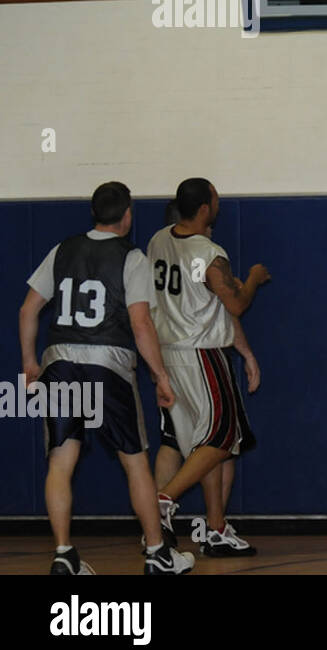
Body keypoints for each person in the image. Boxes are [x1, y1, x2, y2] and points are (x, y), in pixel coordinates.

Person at [18, 181, 194, 574]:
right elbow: (141, 323)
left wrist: (30, 364)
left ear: (94, 213)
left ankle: (64, 553)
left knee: (61, 461)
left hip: (60, 360)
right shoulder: (131, 258)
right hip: (107, 364)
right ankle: (156, 554)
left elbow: (28, 310)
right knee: (134, 462)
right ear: (128, 215)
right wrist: (161, 376)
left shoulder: (62, 250)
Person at [147, 178, 269, 555]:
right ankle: (163, 501)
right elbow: (235, 306)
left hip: (168, 350)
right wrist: (253, 278)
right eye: (215, 199)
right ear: (205, 208)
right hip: (201, 355)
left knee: (205, 445)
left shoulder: (157, 240)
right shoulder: (211, 253)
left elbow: (214, 307)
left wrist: (246, 353)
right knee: (220, 438)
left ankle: (215, 528)